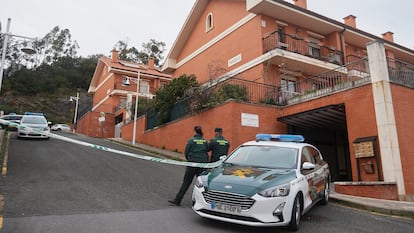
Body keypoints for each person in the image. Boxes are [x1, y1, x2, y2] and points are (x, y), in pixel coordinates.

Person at [168, 125, 209, 206]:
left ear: (194, 132)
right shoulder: (204, 141)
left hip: (192, 164)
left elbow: (186, 152)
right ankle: (203, 202)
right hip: (202, 164)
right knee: (202, 184)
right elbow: (207, 150)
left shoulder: (191, 140)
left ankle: (178, 200)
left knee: (186, 182)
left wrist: (189, 160)